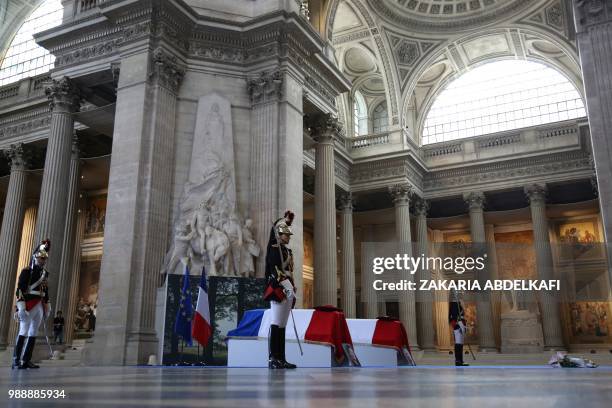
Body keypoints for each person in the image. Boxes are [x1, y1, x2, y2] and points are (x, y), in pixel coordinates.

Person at [263, 211, 297, 369]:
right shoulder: (274, 248)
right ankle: (273, 358)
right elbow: (276, 271)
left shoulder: (286, 251)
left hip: (288, 287)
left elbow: (289, 271)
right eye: (285, 234)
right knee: (276, 323)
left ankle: (281, 358)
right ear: (278, 234)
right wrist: (287, 286)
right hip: (278, 287)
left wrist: (292, 286)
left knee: (283, 324)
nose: (288, 237)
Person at [12, 240, 51, 369]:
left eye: (44, 258)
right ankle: (16, 360)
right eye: (41, 258)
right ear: (35, 257)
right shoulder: (27, 271)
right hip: (28, 303)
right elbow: (20, 288)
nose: (43, 260)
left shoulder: (44, 273)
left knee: (33, 332)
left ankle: (26, 360)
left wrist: (47, 304)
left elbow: (45, 290)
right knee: (23, 330)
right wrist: (21, 306)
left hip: (39, 304)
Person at [449, 289, 469, 367]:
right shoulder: (454, 303)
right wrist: (459, 324)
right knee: (458, 342)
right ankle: (458, 361)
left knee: (460, 343)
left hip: (461, 323)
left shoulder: (459, 302)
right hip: (458, 324)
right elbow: (453, 316)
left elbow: (462, 314)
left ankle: (460, 360)